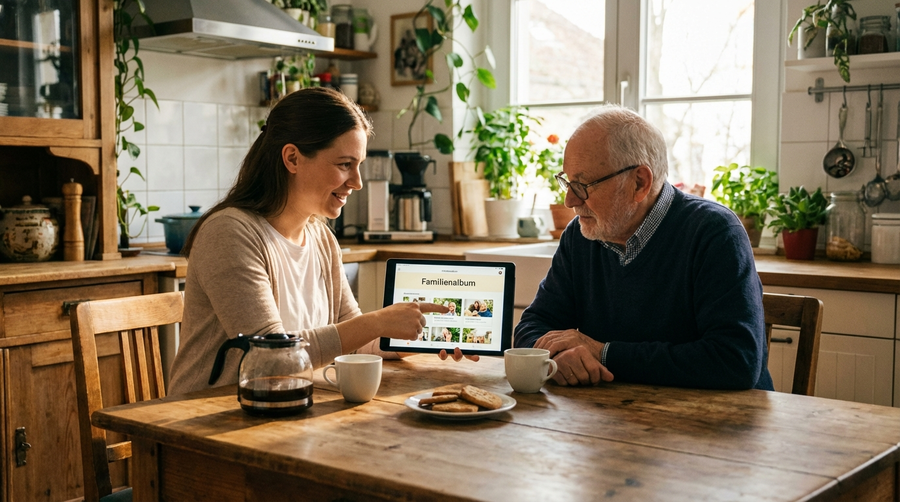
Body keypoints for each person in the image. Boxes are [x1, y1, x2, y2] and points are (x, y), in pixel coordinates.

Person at [168, 88, 473, 395]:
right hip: (207, 418)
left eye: (359, 165)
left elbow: (354, 343)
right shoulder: (230, 232)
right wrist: (377, 321)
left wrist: (423, 336)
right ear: (292, 158)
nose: (357, 182)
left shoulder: (321, 237)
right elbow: (274, 359)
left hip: (288, 409)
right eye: (344, 165)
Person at [514, 104, 772, 391]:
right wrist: (559, 355)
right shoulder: (581, 235)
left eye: (583, 184)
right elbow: (533, 325)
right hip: (615, 419)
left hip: (723, 426)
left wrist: (602, 353)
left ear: (640, 182)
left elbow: (736, 361)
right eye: (567, 182)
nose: (570, 201)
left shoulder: (714, 232)